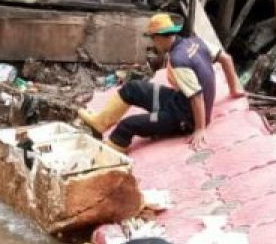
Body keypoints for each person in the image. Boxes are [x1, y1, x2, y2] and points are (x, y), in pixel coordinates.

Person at [78, 13, 245, 152]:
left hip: (185, 117)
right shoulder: (195, 41)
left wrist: (199, 128)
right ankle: (100, 123)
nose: (153, 44)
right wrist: (235, 88)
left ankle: (108, 152)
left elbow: (196, 96)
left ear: (159, 37)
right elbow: (226, 58)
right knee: (132, 88)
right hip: (179, 101)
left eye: (153, 39)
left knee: (127, 126)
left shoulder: (178, 61)